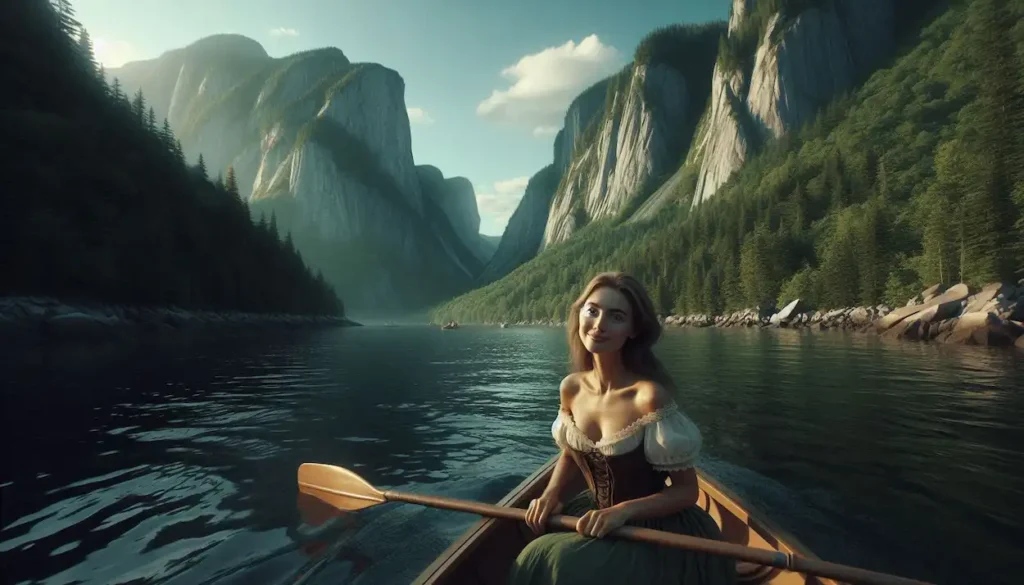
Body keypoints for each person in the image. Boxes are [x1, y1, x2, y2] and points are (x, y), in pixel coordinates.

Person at [508, 272, 736, 585]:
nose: (599, 325)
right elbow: (572, 449)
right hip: (597, 513)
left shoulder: (648, 396)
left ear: (633, 330)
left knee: (551, 559)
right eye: (593, 310)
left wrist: (624, 511)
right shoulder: (570, 388)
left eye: (616, 317)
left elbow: (687, 491)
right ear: (580, 315)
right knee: (530, 539)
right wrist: (551, 493)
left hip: (653, 527)